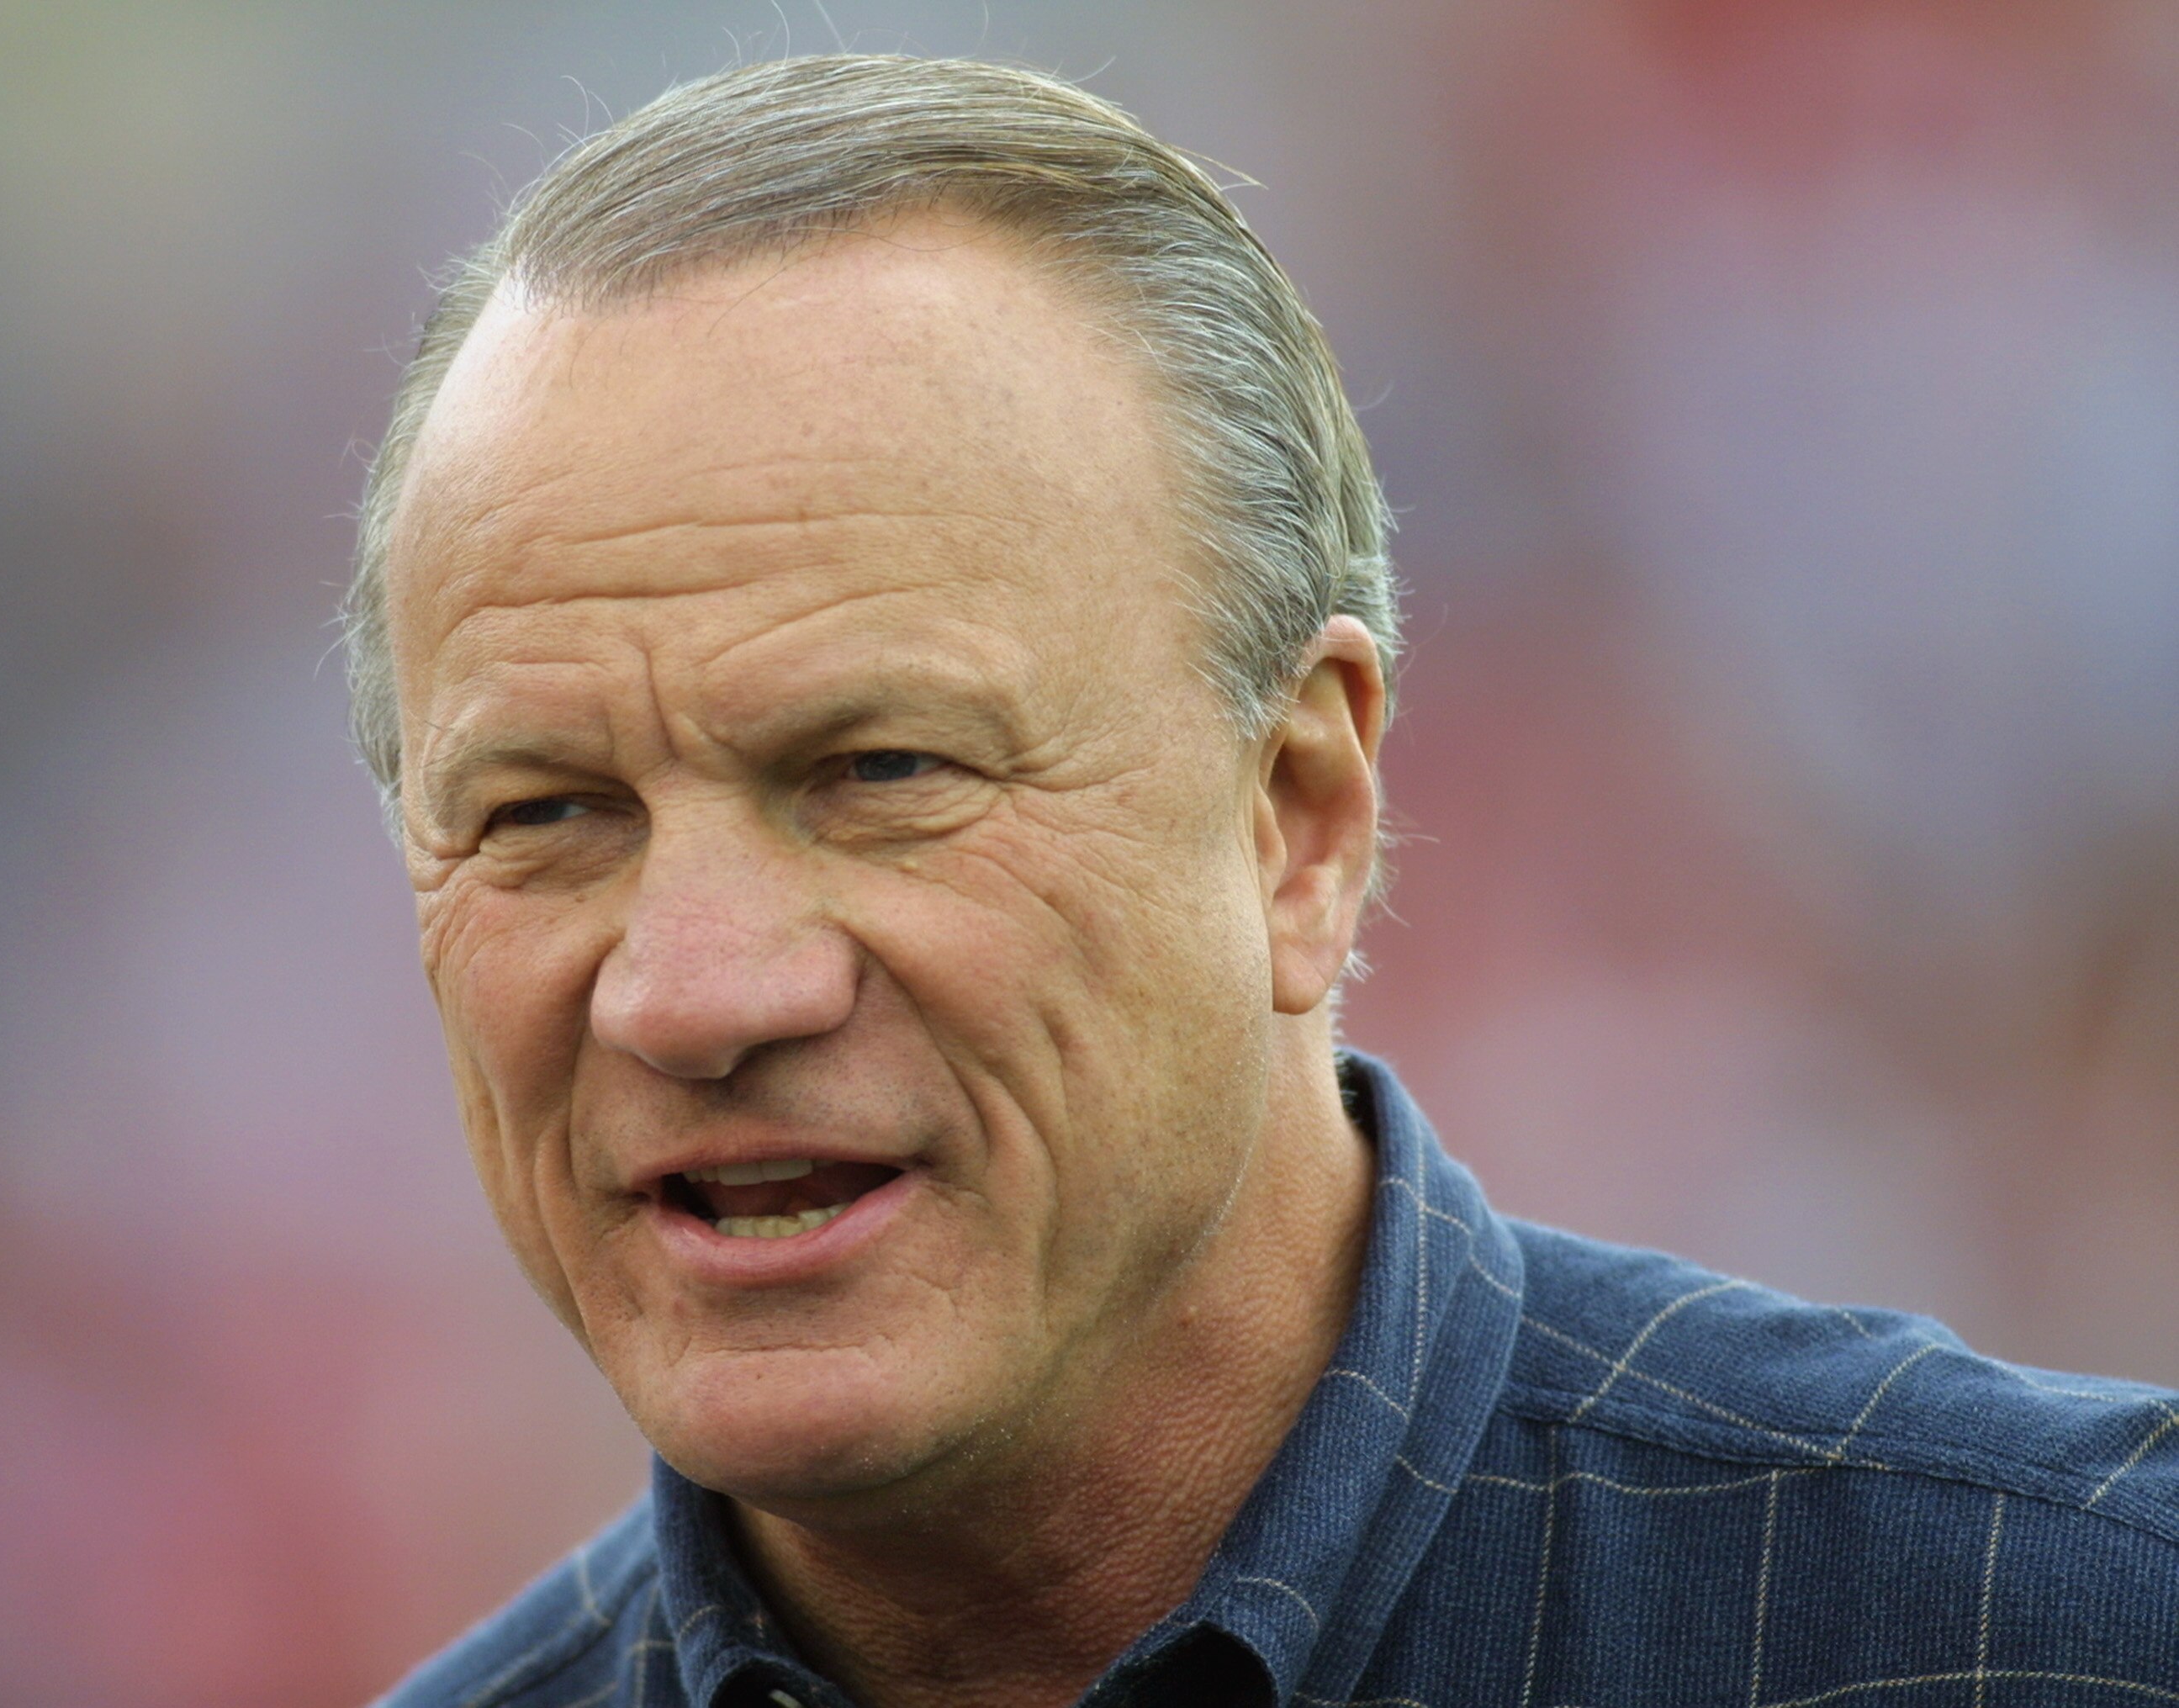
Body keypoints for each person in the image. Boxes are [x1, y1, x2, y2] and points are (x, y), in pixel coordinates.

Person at [342, 54, 2179, 1708]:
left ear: (1302, 811)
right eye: (541, 811)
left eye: (881, 770)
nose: (691, 986)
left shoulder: (2059, 1632)